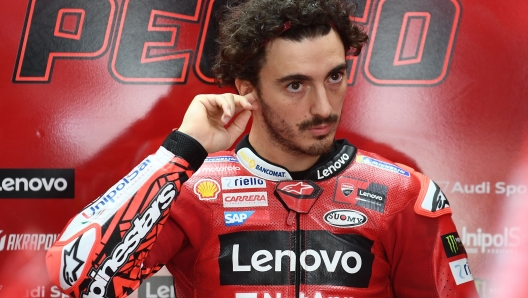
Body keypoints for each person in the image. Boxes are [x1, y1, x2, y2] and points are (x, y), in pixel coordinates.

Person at [46, 0, 479, 297]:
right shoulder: (193, 191)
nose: (324, 107)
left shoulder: (403, 195)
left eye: (334, 76)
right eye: (295, 85)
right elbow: (79, 278)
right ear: (247, 90)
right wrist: (180, 153)